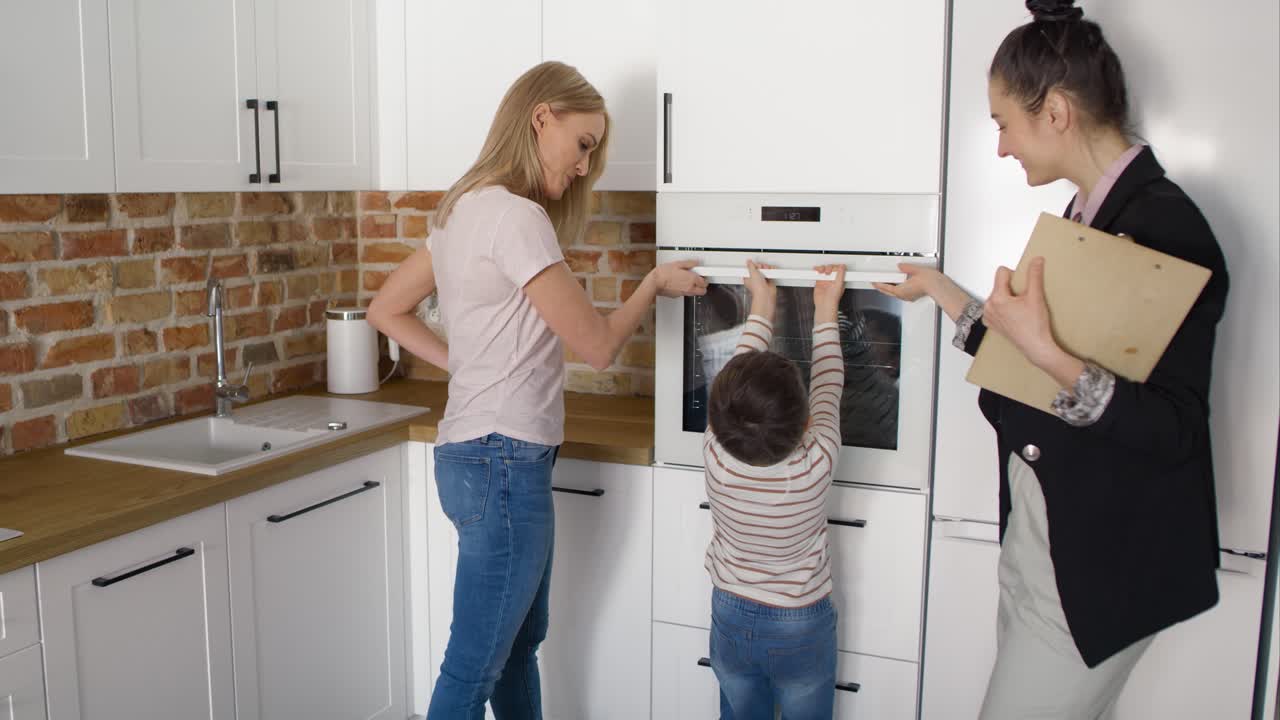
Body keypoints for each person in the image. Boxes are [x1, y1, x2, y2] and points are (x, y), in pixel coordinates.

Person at [876, 1, 1229, 716]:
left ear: (1057, 111)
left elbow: (1174, 429)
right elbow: (1038, 364)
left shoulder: (1165, 227)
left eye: (1005, 122)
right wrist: (944, 292)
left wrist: (1042, 347)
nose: (1002, 146)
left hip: (1097, 565)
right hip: (1045, 545)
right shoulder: (1090, 213)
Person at [366, 61, 706, 719]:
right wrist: (651, 285)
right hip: (503, 463)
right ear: (541, 116)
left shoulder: (460, 211)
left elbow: (386, 310)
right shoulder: (517, 217)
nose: (585, 167)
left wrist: (465, 364)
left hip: (475, 455)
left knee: (517, 649)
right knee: (472, 669)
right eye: (584, 144)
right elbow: (599, 346)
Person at [703, 260, 848, 720]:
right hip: (800, 621)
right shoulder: (816, 463)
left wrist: (760, 305)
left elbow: (735, 379)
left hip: (730, 612)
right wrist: (826, 309)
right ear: (806, 424)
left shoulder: (715, 451)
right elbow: (829, 383)